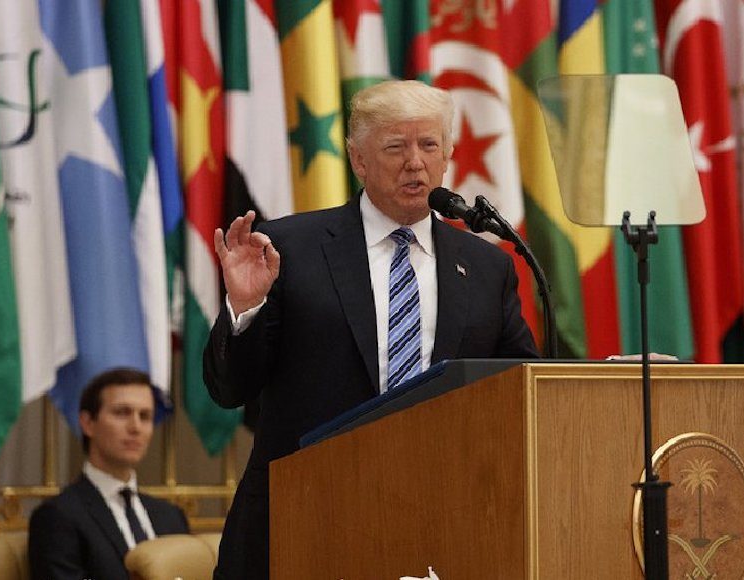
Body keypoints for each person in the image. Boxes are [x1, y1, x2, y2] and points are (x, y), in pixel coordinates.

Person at [204, 79, 538, 579]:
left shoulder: (487, 266)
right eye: (395, 147)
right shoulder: (288, 248)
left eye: (429, 145)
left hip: (442, 527)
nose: (414, 162)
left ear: (448, 156)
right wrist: (244, 308)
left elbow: (520, 386)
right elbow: (230, 390)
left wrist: (605, 377)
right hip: (306, 521)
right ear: (358, 159)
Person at [28, 368, 190, 580]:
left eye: (145, 416)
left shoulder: (171, 517)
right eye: (122, 412)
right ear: (87, 423)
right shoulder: (57, 517)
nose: (136, 427)